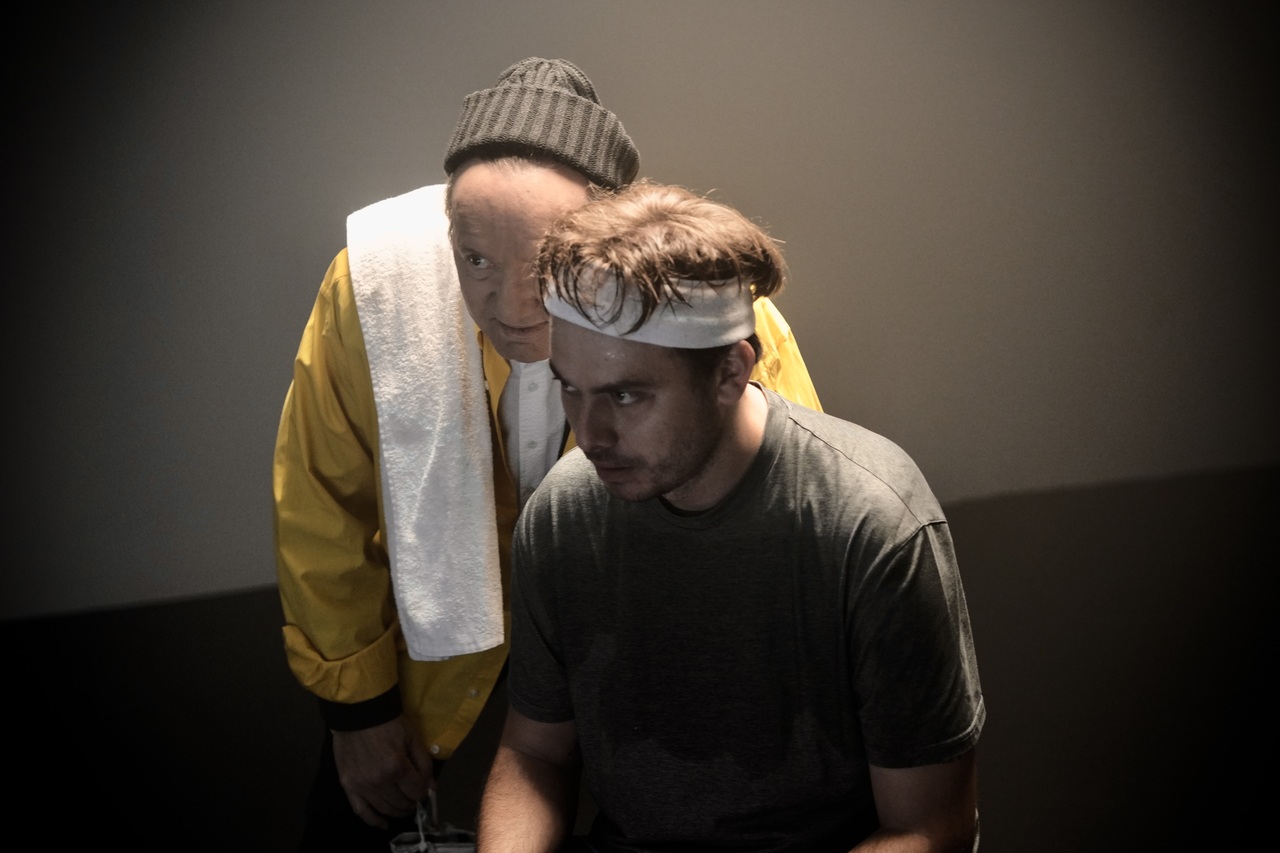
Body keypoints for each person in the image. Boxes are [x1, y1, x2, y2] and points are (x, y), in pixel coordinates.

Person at [272, 59, 822, 850]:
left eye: (540, 265)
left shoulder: (704, 313)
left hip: (655, 662)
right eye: (475, 260)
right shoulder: (376, 291)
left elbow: (787, 516)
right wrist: (356, 708)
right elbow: (322, 500)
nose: (509, 303)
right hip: (431, 667)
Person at [479, 182, 985, 852]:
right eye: (570, 387)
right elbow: (536, 752)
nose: (590, 432)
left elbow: (929, 825)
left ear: (730, 372)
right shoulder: (563, 516)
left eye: (626, 396)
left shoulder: (870, 526)